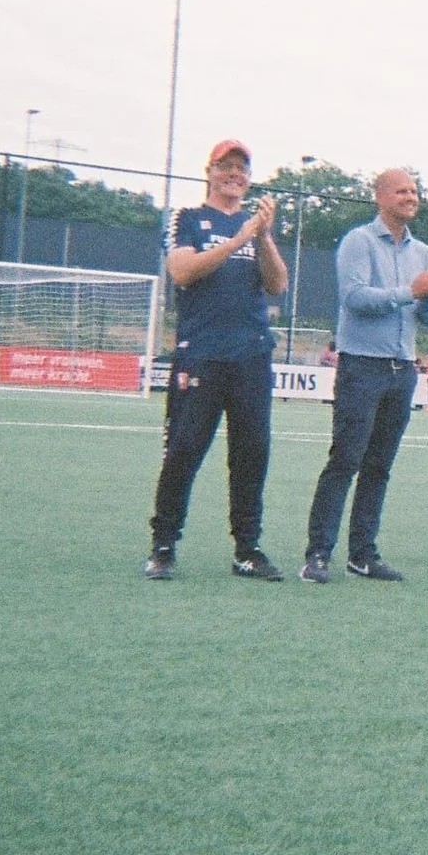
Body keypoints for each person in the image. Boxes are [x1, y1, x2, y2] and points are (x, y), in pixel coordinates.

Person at [145, 138, 289, 580]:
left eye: (242, 168)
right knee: (184, 449)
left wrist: (262, 236)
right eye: (226, 166)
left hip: (250, 356)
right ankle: (163, 545)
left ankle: (247, 549)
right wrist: (237, 239)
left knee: (251, 453)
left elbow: (277, 284)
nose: (234, 175)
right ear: (209, 171)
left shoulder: (255, 226)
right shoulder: (188, 219)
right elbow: (183, 271)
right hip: (201, 355)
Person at [300, 169, 428, 584]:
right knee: (345, 460)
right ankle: (317, 554)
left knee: (379, 466)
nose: (411, 197)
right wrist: (412, 291)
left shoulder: (422, 251)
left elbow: (427, 315)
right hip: (362, 366)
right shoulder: (359, 241)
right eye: (402, 191)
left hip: (402, 369)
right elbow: (355, 298)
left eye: (415, 191)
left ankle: (363, 554)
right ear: (380, 197)